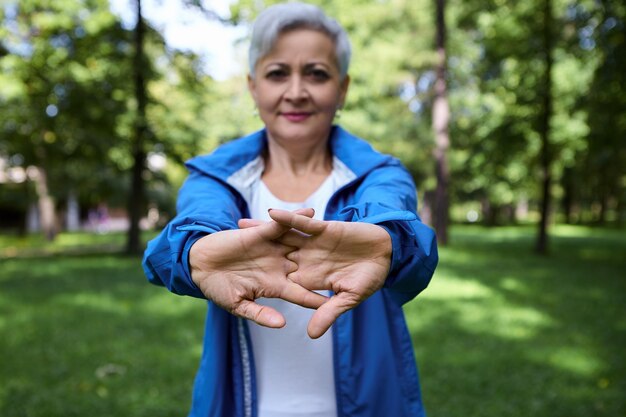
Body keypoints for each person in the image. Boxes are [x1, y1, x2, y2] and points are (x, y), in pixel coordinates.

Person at [142, 2, 438, 417]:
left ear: (343, 88)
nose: (296, 91)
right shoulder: (216, 179)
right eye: (278, 73)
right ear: (253, 86)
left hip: (370, 403)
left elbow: (395, 220)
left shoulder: (380, 174)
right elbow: (193, 225)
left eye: (316, 73)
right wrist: (192, 253)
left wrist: (389, 243)